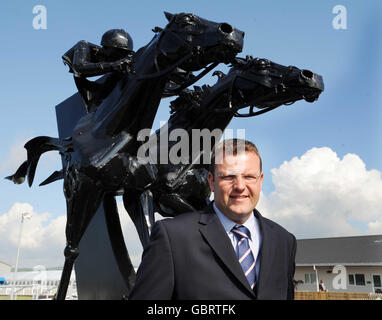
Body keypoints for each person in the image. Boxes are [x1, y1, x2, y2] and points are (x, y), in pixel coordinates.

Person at [129, 138, 297, 300]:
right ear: (211, 182)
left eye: (249, 177)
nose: (239, 186)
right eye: (228, 177)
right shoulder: (173, 237)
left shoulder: (284, 241)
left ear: (260, 180)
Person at [62, 29, 135, 112]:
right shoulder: (83, 45)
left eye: (125, 53)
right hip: (88, 90)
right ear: (106, 47)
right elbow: (79, 67)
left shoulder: (118, 64)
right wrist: (113, 65)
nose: (121, 56)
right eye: (119, 51)